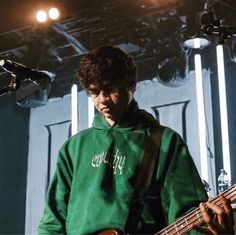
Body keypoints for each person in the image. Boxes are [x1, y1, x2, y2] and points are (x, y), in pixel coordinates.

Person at [38, 45, 234, 234]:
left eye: (110, 89)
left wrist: (213, 231)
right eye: (94, 92)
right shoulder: (73, 148)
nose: (103, 99)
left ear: (131, 84)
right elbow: (53, 221)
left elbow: (187, 211)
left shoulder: (164, 141)